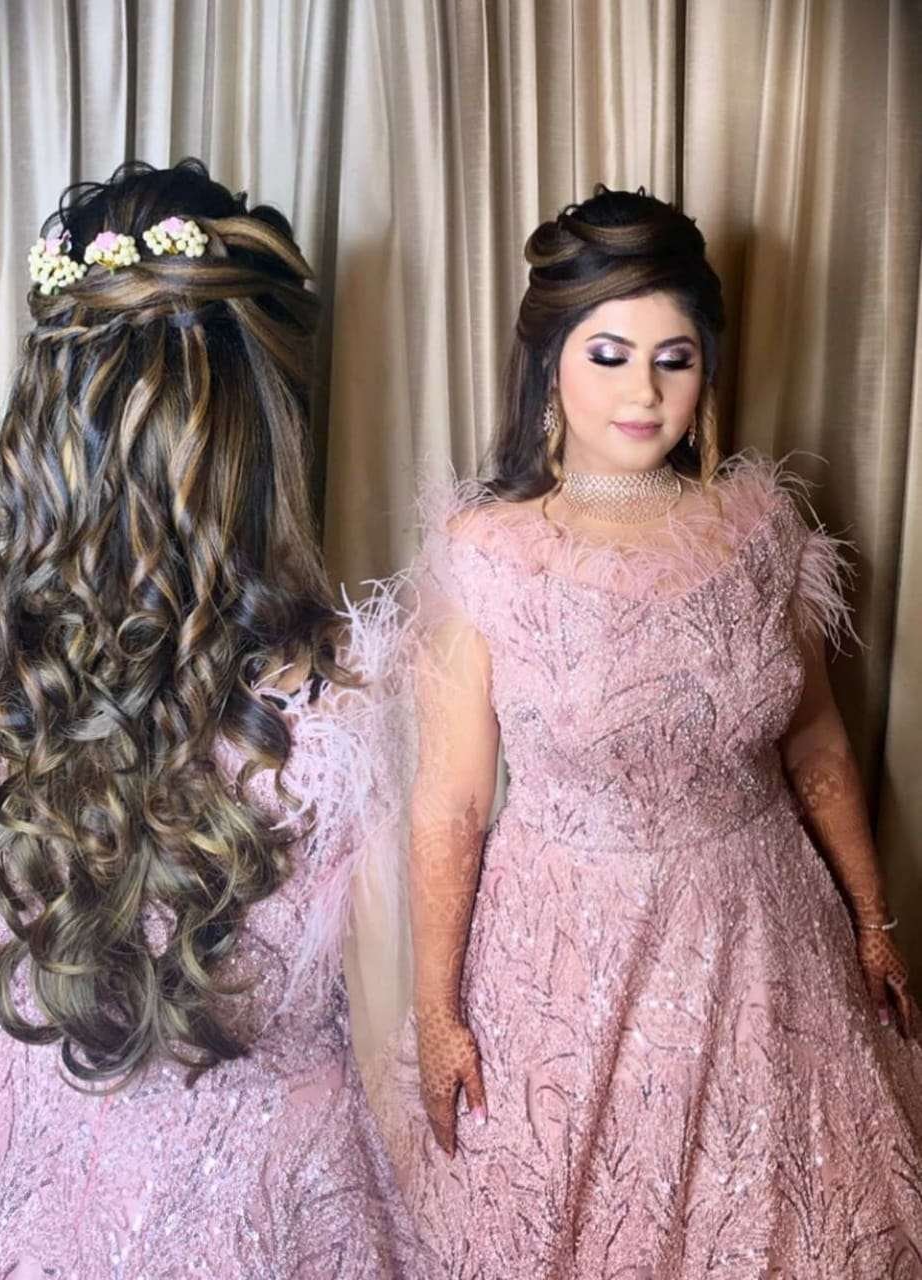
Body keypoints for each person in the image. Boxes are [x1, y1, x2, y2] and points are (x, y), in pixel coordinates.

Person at [374, 186, 922, 1277]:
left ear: (706, 369)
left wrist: (872, 920)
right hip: (563, 963)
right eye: (610, 355)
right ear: (551, 364)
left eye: (674, 359)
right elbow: (453, 803)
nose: (643, 391)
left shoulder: (761, 528)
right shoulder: (486, 552)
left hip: (763, 944)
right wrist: (436, 1012)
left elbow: (814, 744)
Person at [0, 159, 417, 1279]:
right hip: (275, 1183)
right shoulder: (355, 700)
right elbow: (384, 1023)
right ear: (263, 434)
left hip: (26, 1154)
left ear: (48, 422)